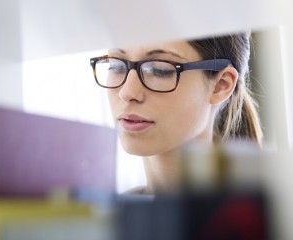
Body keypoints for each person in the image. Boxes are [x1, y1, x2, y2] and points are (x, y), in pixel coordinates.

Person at [90, 31, 263, 194]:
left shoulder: (270, 217)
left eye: (159, 70)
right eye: (116, 67)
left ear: (221, 85)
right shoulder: (106, 220)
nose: (127, 93)